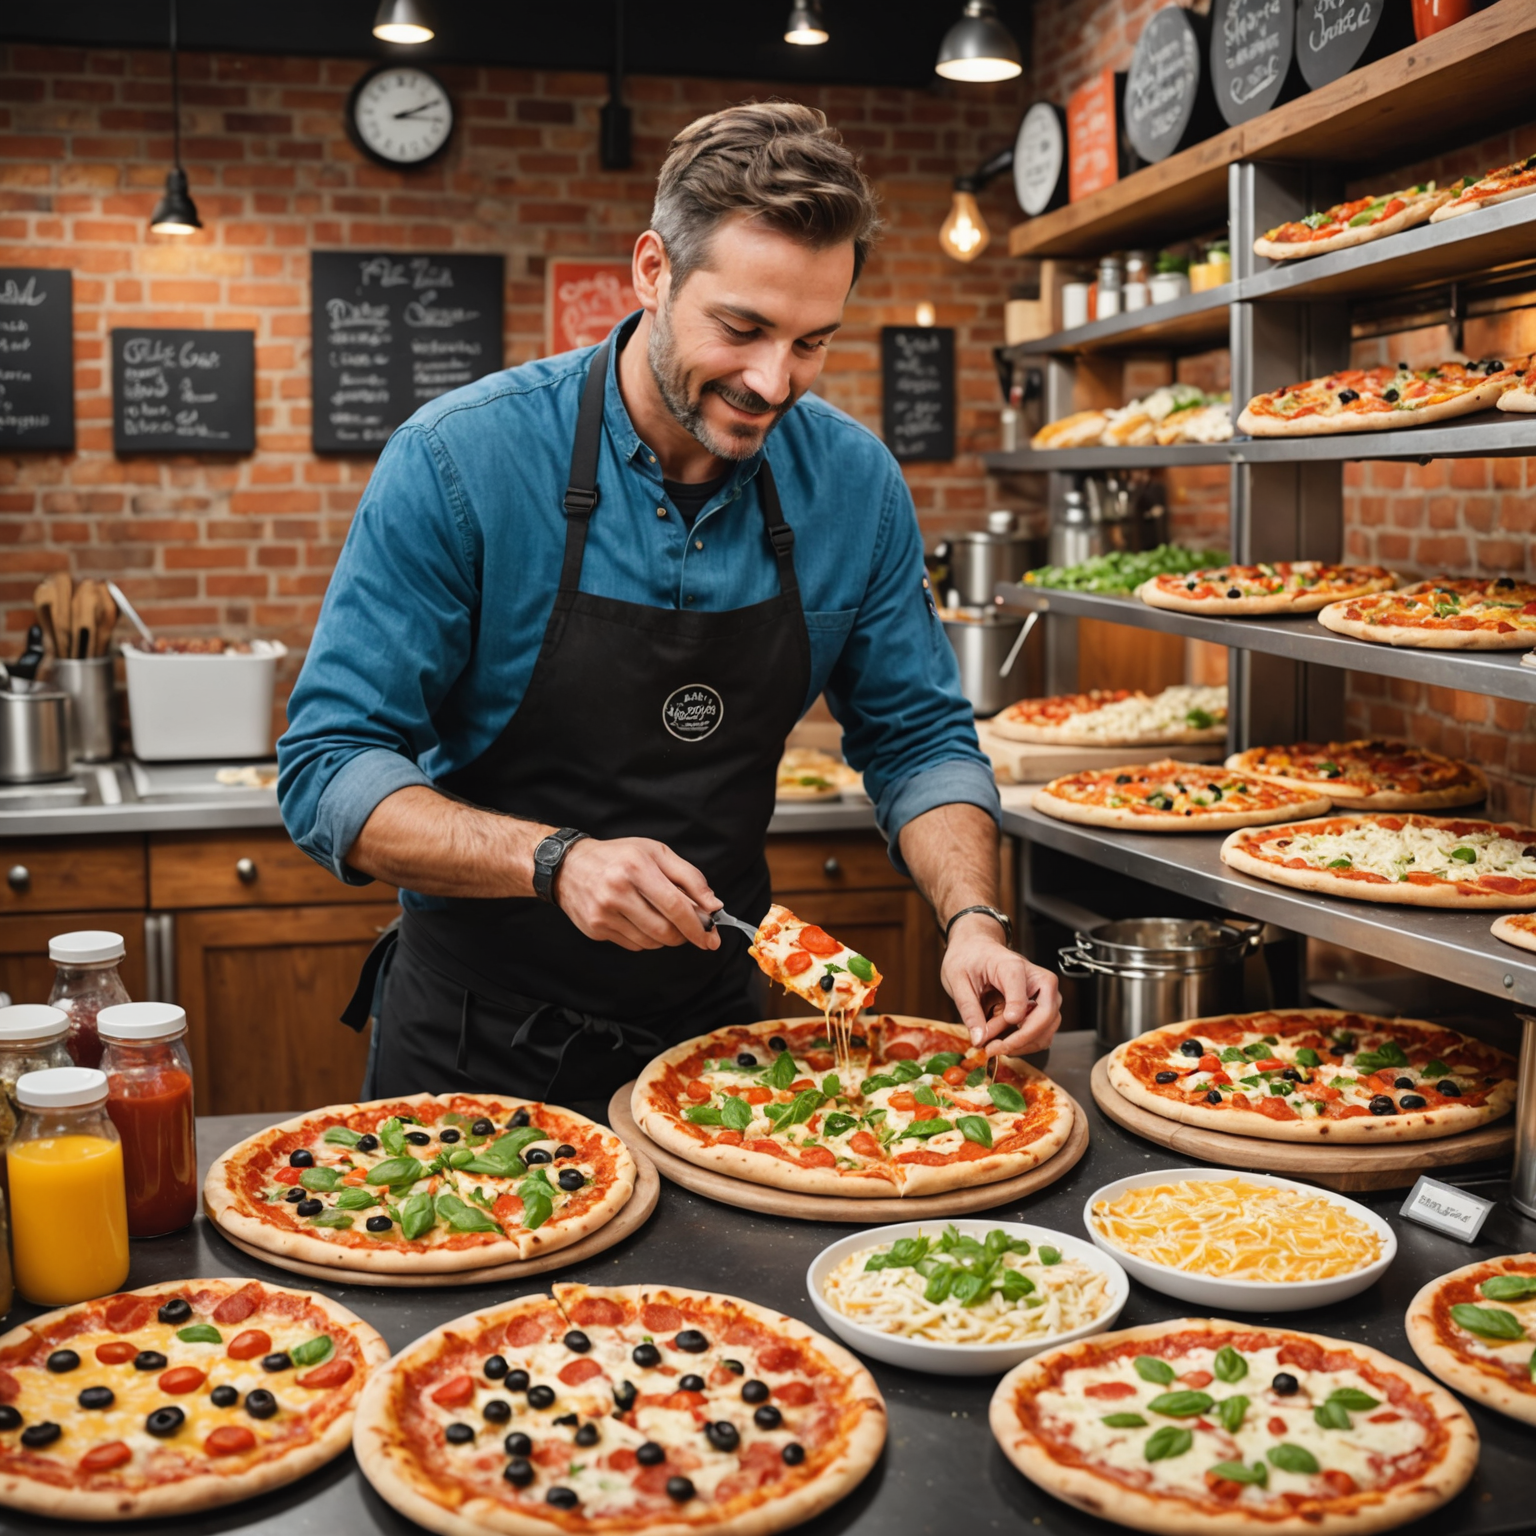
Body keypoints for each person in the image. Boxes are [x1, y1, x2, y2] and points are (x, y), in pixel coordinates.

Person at [278, 102, 1060, 1120]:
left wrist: (974, 921)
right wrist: (552, 862)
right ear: (653, 271)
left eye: (812, 342)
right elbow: (330, 765)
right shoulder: (460, 460)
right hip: (474, 1043)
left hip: (721, 1051)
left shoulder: (854, 484)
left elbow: (918, 739)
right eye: (741, 329)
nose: (772, 381)